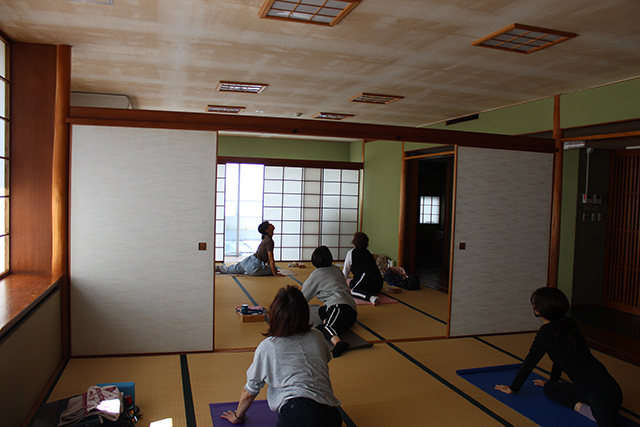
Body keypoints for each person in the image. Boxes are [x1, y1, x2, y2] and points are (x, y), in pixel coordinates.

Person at [495, 287, 623, 427]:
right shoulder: (568, 324)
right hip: (611, 389)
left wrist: (513, 388)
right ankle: (592, 410)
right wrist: (552, 383)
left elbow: (530, 362)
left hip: (597, 393)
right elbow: (559, 358)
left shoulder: (546, 332)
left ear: (538, 310)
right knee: (549, 389)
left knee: (606, 421)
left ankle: (589, 411)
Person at [221, 286, 342, 426]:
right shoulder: (318, 336)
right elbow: (323, 362)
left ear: (275, 315)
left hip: (298, 412)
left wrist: (238, 416)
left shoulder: (268, 346)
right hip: (332, 414)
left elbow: (250, 391)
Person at [302, 246, 358, 358]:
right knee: (322, 309)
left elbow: (303, 297)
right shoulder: (336, 270)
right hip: (351, 311)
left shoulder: (316, 274)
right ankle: (327, 322)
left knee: (328, 327)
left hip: (338, 306)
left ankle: (338, 343)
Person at [216, 221, 284, 276]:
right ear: (267, 230)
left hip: (248, 260)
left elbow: (269, 259)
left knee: (228, 269)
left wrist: (270, 268)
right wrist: (274, 273)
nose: (271, 224)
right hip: (254, 266)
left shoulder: (266, 238)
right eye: (269, 225)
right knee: (274, 269)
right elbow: (270, 258)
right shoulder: (269, 240)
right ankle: (249, 270)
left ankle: (216, 268)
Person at [342, 232, 383, 305]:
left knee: (352, 291)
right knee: (352, 283)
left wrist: (339, 286)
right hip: (378, 284)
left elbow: (345, 273)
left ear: (354, 242)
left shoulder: (351, 253)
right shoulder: (369, 253)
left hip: (366, 279)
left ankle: (371, 298)